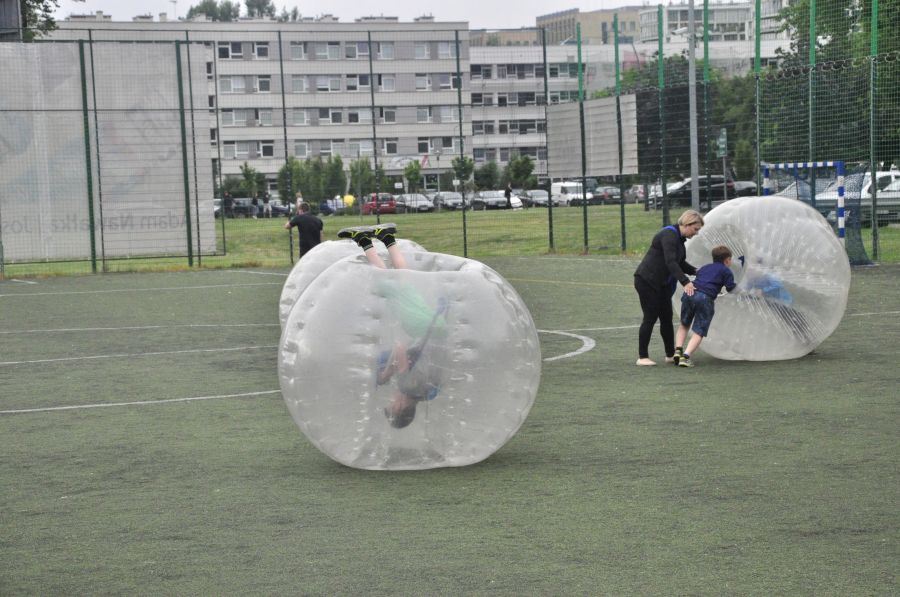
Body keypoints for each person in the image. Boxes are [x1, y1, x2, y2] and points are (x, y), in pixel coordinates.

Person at [337, 223, 448, 429]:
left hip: (436, 327)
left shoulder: (427, 394)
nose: (391, 401)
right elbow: (400, 348)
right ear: (399, 408)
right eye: (391, 406)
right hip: (421, 327)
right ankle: (363, 240)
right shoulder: (408, 386)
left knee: (403, 280)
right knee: (384, 283)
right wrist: (386, 374)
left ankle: (385, 238)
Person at [633, 209, 704, 366]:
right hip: (647, 281)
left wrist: (697, 271)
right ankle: (642, 357)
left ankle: (670, 354)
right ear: (687, 224)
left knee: (666, 318)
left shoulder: (679, 240)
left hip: (662, 284)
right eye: (696, 229)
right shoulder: (669, 235)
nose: (696, 233)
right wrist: (686, 282)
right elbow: (670, 262)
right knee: (650, 317)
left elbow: (680, 263)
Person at [673, 245, 737, 368]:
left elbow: (705, 279)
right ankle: (685, 357)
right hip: (705, 299)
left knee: (684, 324)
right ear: (727, 259)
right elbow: (730, 288)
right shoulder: (726, 271)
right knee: (699, 331)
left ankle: (678, 351)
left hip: (690, 294)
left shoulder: (704, 268)